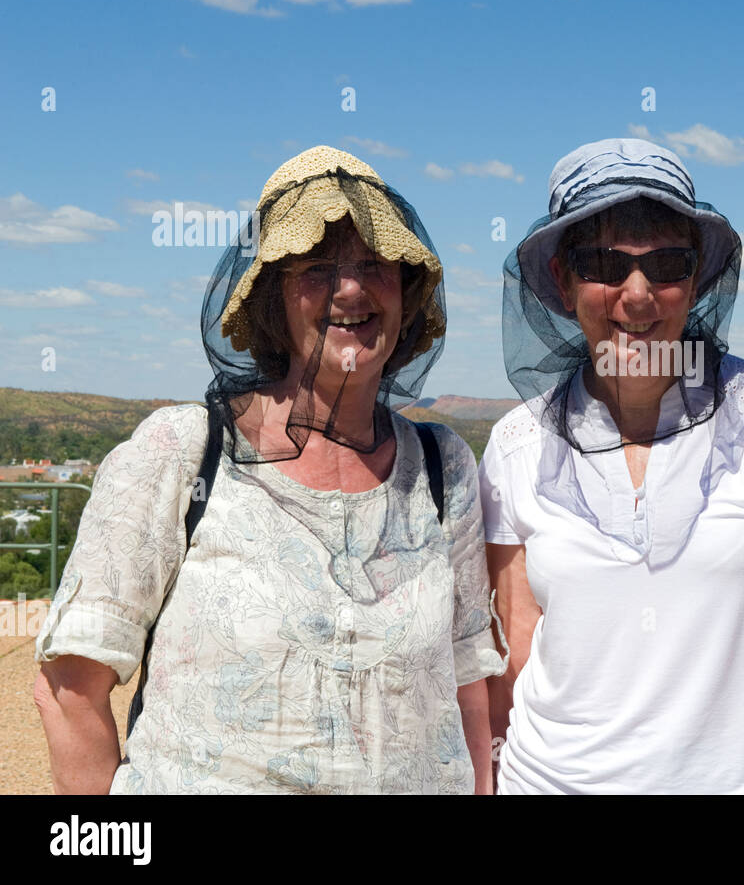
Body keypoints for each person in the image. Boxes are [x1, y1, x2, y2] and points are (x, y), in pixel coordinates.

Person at [33, 145, 505, 794]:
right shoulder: (180, 452)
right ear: (271, 296)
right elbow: (68, 693)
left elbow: (468, 689)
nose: (352, 287)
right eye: (317, 265)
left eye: (375, 262)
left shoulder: (442, 465)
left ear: (407, 289)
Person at [479, 138, 744, 794]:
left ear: (696, 281)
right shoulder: (518, 446)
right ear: (564, 282)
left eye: (666, 265)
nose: (637, 294)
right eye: (605, 263)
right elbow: (506, 679)